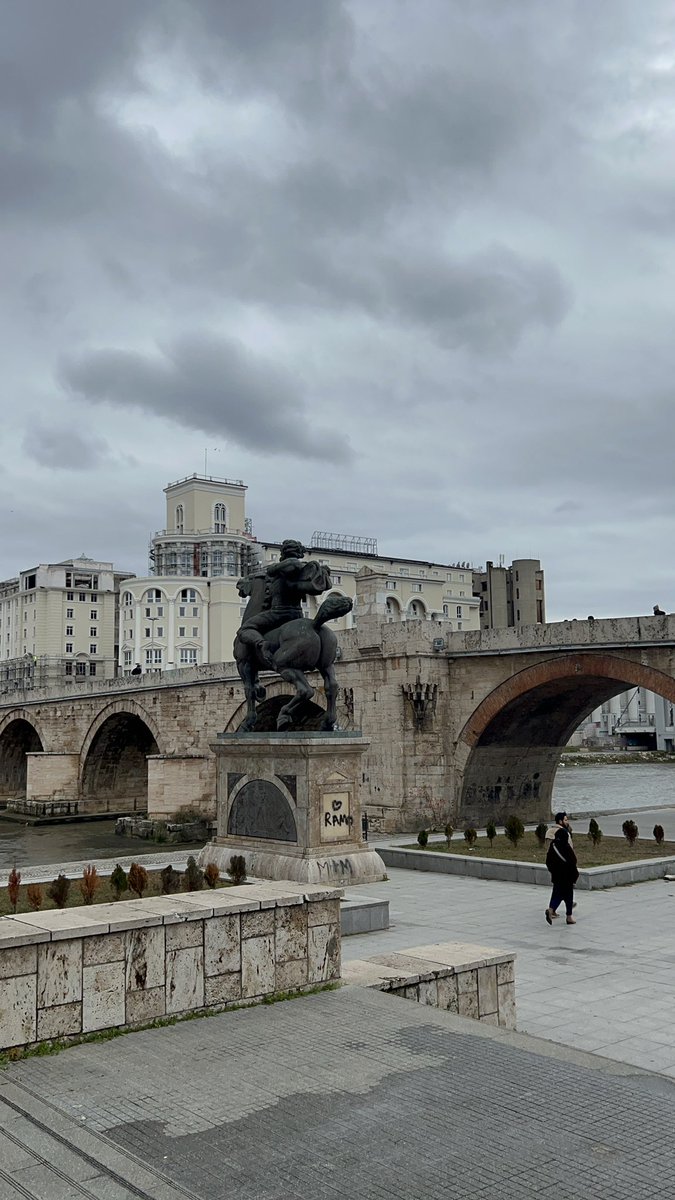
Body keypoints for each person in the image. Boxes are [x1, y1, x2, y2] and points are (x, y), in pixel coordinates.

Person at [236, 540, 330, 667]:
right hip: (297, 615)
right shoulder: (299, 575)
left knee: (244, 629)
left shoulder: (283, 569)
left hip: (278, 614)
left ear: (283, 553)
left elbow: (281, 567)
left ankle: (262, 644)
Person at [545, 811, 578, 925]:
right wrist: (574, 875)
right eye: (565, 819)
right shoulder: (566, 845)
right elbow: (573, 861)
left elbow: (548, 861)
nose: (567, 821)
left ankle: (551, 910)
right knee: (568, 894)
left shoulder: (552, 843)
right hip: (567, 875)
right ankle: (569, 917)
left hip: (556, 874)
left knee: (558, 892)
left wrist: (553, 871)